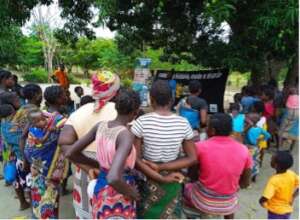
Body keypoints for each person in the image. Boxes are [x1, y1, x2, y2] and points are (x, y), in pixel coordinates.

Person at [63, 89, 141, 219]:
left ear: (116, 106)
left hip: (100, 187)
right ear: (136, 112)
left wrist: (97, 164)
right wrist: (131, 192)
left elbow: (70, 153)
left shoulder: (100, 126)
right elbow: (113, 177)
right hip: (119, 190)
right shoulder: (125, 135)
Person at [131, 80, 197, 219]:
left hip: (147, 176)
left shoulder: (141, 122)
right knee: (171, 214)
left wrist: (157, 167)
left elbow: (135, 159)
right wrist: (162, 167)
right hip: (173, 177)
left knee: (146, 214)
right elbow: (192, 158)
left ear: (151, 99)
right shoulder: (183, 122)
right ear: (172, 99)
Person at [58, 71, 119, 219]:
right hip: (116, 173)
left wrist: (90, 166)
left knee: (86, 210)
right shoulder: (123, 113)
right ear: (116, 91)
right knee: (113, 212)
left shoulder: (81, 111)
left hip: (85, 172)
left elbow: (64, 144)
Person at [182, 113, 252, 219]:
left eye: (207, 127)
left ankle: (192, 216)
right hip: (228, 203)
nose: (206, 129)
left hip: (204, 201)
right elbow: (245, 183)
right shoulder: (244, 150)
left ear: (213, 130)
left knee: (186, 188)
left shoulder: (200, 147)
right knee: (231, 195)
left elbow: (192, 176)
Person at [23, 85, 68, 219]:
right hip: (51, 167)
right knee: (51, 198)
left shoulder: (38, 115)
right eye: (64, 94)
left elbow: (26, 136)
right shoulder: (62, 121)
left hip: (36, 164)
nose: (66, 96)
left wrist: (26, 160)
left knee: (38, 193)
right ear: (59, 99)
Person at [0, 92, 31, 210]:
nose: (19, 99)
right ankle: (32, 203)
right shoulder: (17, 123)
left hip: (11, 155)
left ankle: (23, 203)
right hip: (23, 156)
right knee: (29, 181)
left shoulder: (3, 125)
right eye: (16, 98)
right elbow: (22, 140)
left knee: (16, 180)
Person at [259, 151, 299, 219]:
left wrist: (261, 202)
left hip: (275, 212)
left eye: (272, 159)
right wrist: (293, 197)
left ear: (276, 165)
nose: (270, 160)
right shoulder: (291, 174)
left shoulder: (274, 180)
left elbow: (265, 197)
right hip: (287, 210)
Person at [244, 113, 271, 182]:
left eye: (248, 118)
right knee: (255, 162)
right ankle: (254, 177)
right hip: (256, 147)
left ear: (251, 120)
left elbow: (244, 134)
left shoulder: (248, 129)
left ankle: (247, 178)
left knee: (248, 163)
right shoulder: (259, 129)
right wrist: (260, 140)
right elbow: (268, 135)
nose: (246, 119)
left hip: (248, 147)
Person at [279, 86, 299, 151]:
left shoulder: (289, 97)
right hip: (298, 113)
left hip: (289, 112)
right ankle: (290, 149)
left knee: (282, 130)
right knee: (295, 131)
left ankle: (280, 147)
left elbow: (286, 105)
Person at [252, 101, 268, 167]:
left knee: (255, 150)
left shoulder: (254, 117)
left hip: (257, 134)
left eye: (253, 107)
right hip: (263, 132)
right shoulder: (264, 118)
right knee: (262, 148)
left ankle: (254, 162)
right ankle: (260, 162)